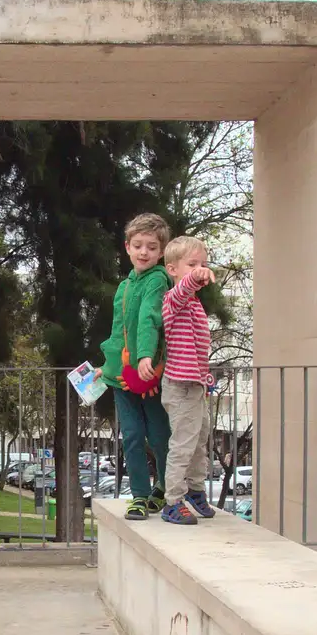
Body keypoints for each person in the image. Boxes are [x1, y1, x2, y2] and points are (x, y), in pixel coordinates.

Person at [99, 212, 172, 520]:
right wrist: (108, 364)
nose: (144, 252)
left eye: (152, 247)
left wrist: (146, 357)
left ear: (161, 251)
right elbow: (119, 330)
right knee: (130, 435)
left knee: (158, 434)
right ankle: (140, 494)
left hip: (149, 372)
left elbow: (150, 319)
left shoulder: (157, 281)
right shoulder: (124, 285)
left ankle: (168, 488)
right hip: (121, 375)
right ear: (127, 247)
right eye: (139, 245)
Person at [157, 235, 216, 525]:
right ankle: (172, 501)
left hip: (196, 386)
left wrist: (205, 375)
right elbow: (183, 290)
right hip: (179, 389)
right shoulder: (174, 300)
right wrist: (196, 276)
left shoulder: (195, 306)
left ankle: (195, 489)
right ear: (173, 270)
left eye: (203, 264)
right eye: (192, 264)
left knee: (200, 440)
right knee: (183, 443)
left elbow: (195, 349)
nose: (199, 268)